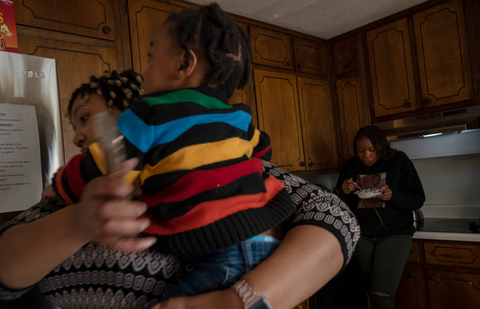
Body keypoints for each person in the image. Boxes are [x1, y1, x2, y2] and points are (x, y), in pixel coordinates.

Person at [0, 25, 360, 309]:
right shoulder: (67, 198)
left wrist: (244, 300)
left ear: (133, 111)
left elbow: (337, 218)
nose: (78, 136)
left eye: (86, 119)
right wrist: (75, 220)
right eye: (74, 127)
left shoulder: (197, 152)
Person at [48, 3, 296, 301]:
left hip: (219, 245)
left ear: (182, 65)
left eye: (151, 56)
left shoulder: (150, 113)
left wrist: (58, 185)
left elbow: (98, 167)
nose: (145, 68)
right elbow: (264, 148)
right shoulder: (238, 116)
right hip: (267, 231)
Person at [335, 126, 425, 309]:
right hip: (362, 236)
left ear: (381, 146)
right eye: (361, 151)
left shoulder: (398, 160)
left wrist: (393, 196)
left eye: (371, 150)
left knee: (381, 295)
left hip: (395, 234)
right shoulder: (350, 166)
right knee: (369, 292)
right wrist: (343, 191)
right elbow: (338, 203)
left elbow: (418, 198)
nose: (366, 155)